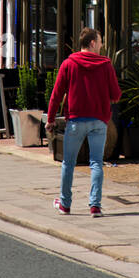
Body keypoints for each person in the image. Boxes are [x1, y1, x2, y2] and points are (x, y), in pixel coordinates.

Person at [46, 26, 120, 217]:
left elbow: (56, 94)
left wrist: (51, 119)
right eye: (101, 41)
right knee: (96, 163)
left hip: (76, 121)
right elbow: (116, 95)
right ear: (93, 43)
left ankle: (65, 204)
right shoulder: (106, 65)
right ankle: (95, 206)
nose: (102, 45)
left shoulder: (69, 64)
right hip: (99, 122)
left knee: (68, 163)